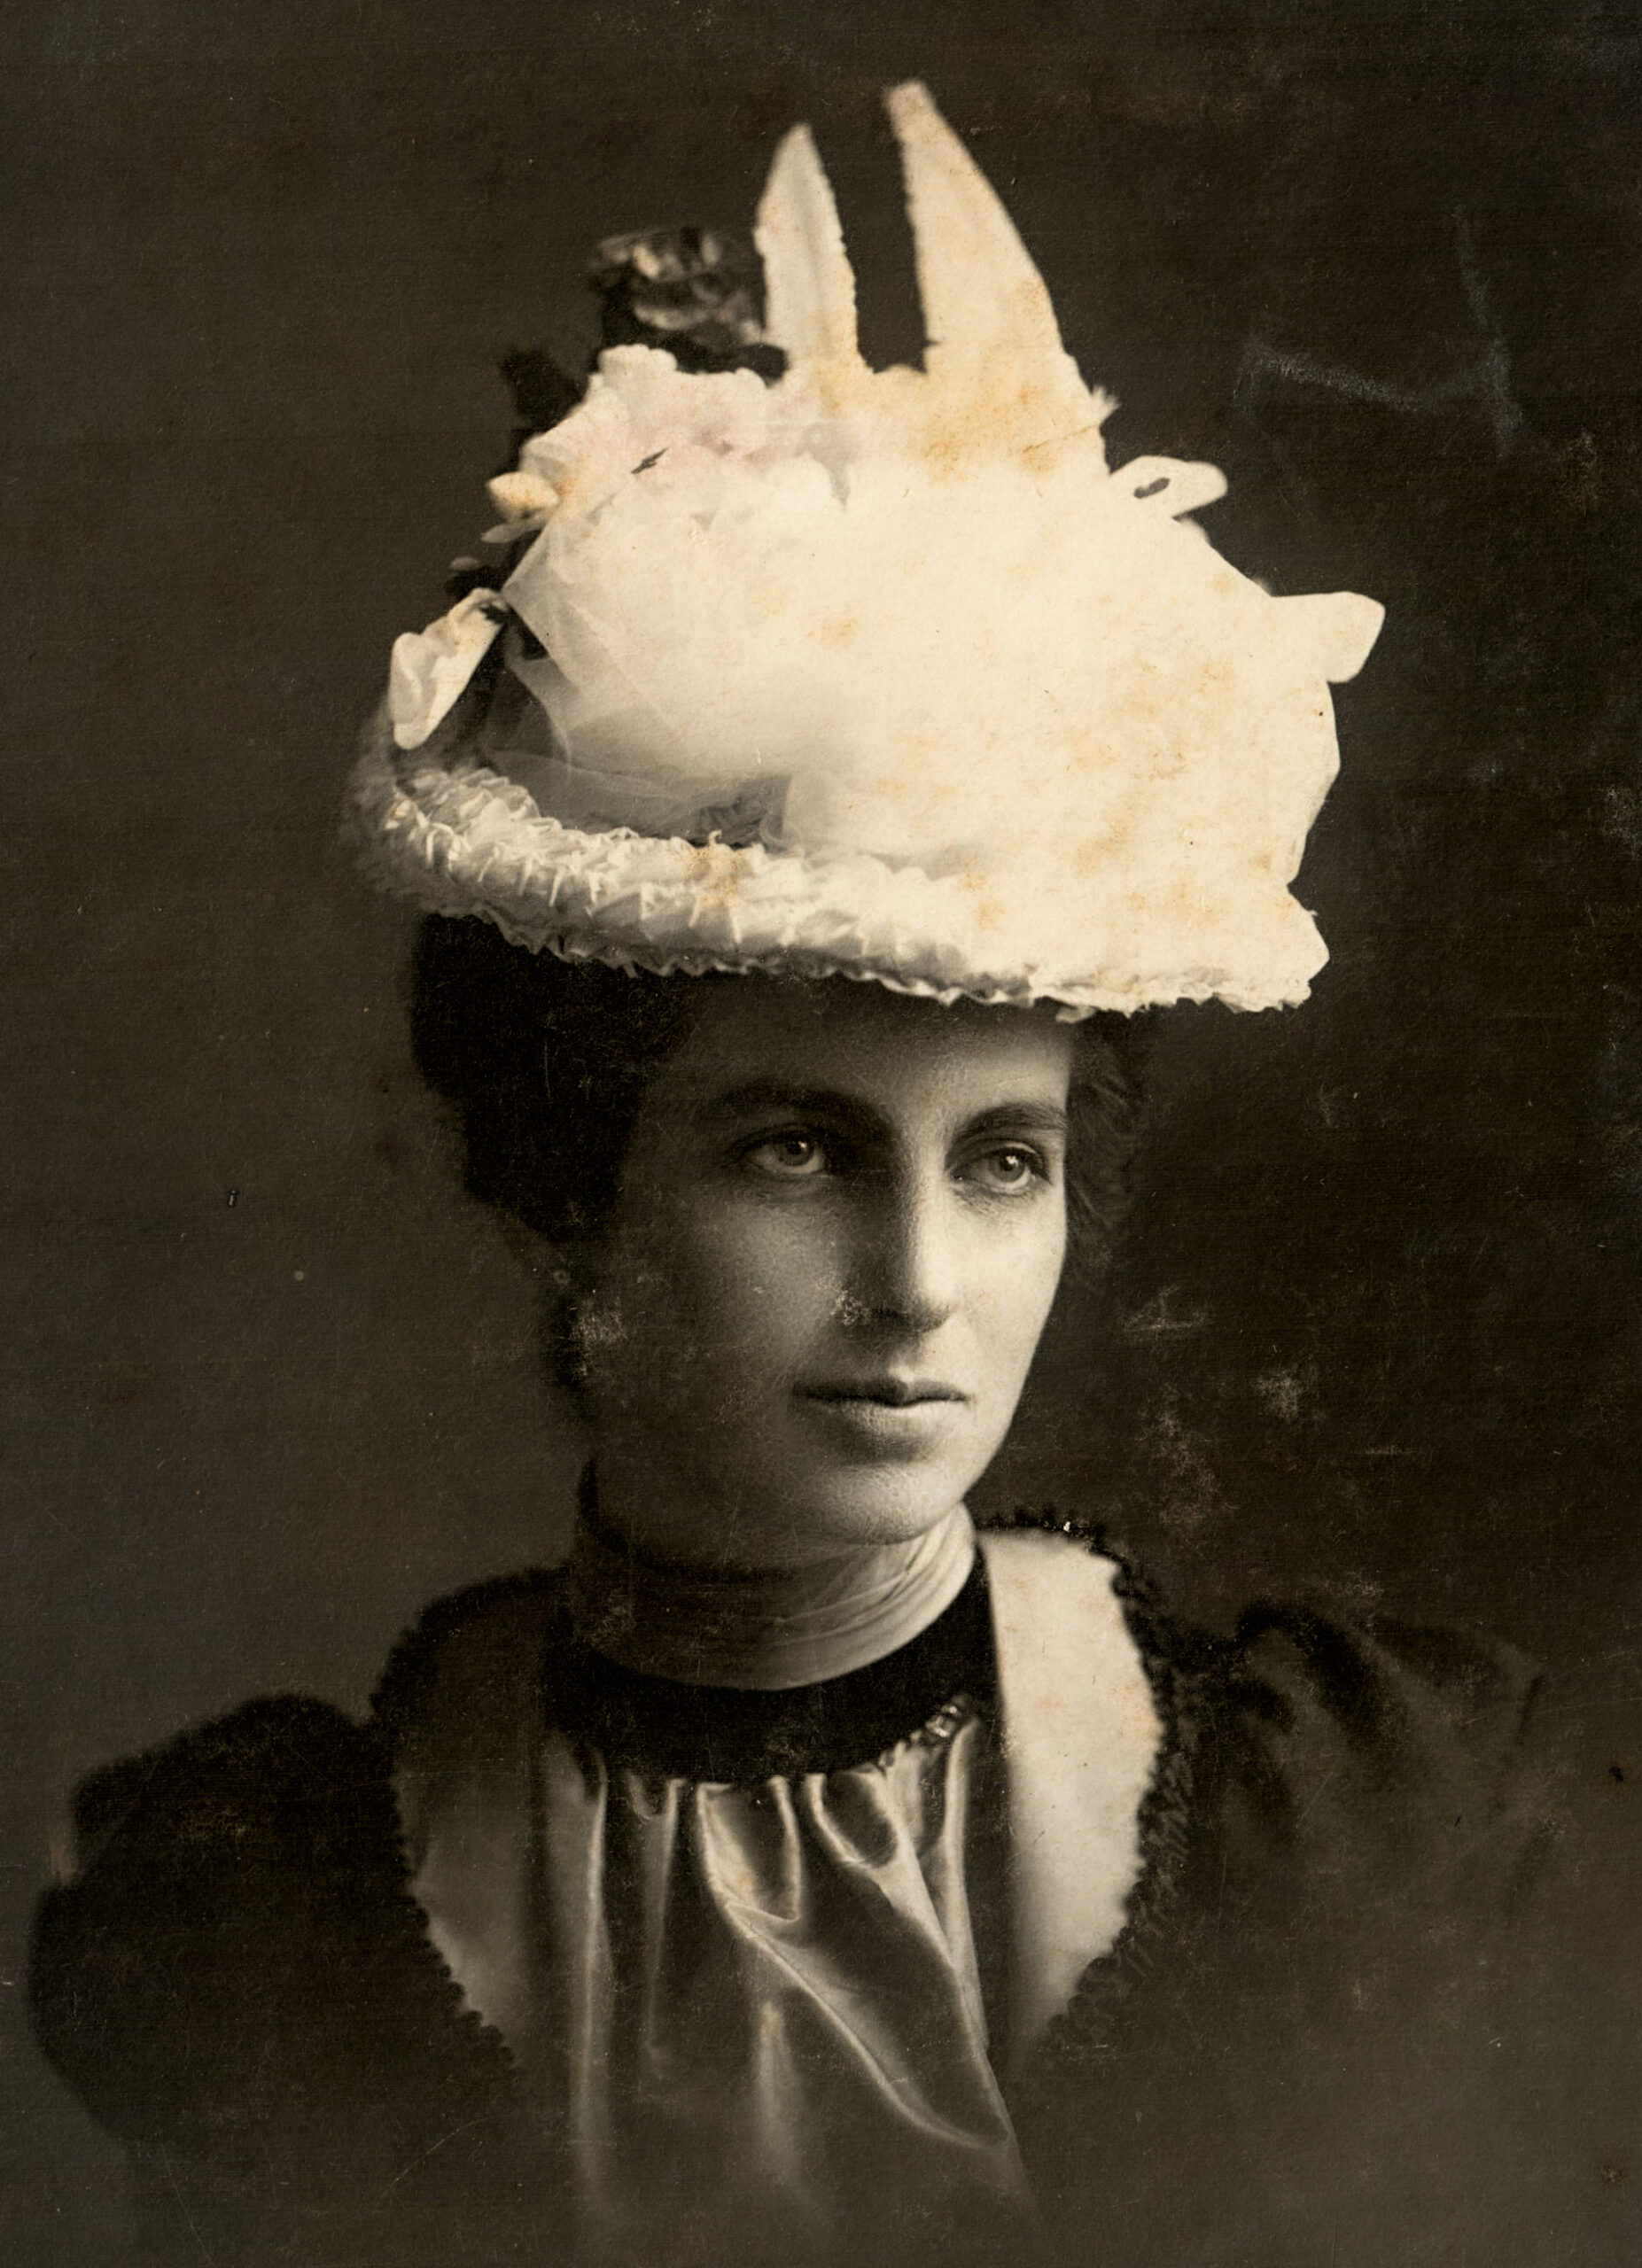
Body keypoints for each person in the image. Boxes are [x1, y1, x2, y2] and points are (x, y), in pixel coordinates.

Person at [31, 82, 1605, 2268]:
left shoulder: (1348, 1823)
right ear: (568, 1180)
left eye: (1008, 1160)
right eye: (793, 1148)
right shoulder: (279, 1902)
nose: (918, 1283)